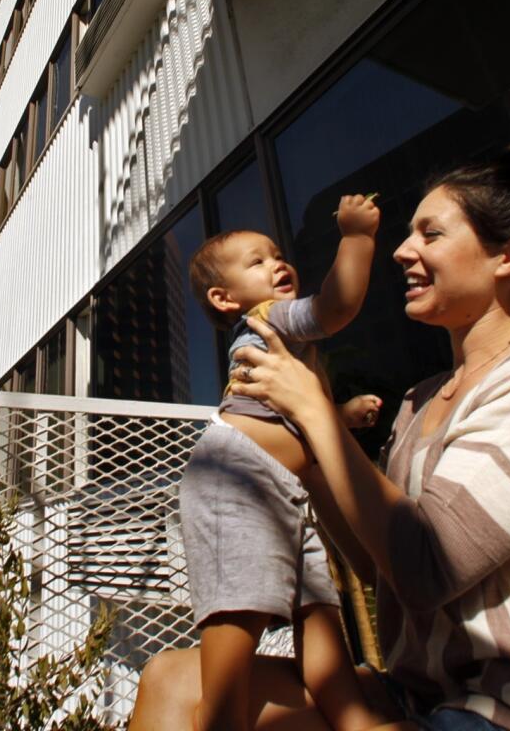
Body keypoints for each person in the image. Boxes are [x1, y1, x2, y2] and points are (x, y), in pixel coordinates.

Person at [132, 143, 510, 730]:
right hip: (428, 694)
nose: (403, 250)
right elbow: (375, 565)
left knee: (214, 707)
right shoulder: (418, 402)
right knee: (171, 679)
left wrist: (317, 415)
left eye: (430, 235)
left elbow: (424, 566)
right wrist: (305, 457)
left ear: (509, 257)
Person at [178, 196, 387, 731]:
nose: (276, 263)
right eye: (257, 261)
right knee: (239, 615)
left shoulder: (289, 353)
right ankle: (217, 718)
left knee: (320, 615)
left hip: (288, 491)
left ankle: (355, 720)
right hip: (238, 479)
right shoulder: (268, 316)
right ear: (226, 299)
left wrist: (340, 415)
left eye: (275, 254)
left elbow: (293, 419)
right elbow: (334, 308)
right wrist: (356, 239)